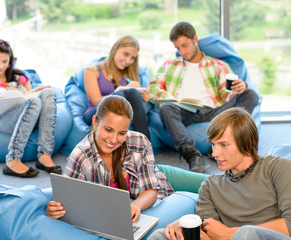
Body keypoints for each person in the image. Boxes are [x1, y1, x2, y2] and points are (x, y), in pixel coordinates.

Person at [46, 95, 206, 221]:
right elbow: (70, 203)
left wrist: (136, 205)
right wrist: (56, 209)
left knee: (216, 184)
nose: (114, 139)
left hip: (163, 177)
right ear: (95, 122)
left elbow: (151, 190)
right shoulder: (80, 157)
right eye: (108, 130)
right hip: (154, 200)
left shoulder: (139, 141)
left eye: (122, 133)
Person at [147, 107, 291, 240]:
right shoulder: (210, 186)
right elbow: (211, 234)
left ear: (247, 143)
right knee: (161, 235)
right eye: (213, 144)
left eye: (223, 144)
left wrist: (230, 233)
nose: (214, 153)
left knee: (247, 233)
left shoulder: (278, 167)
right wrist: (187, 226)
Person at [147, 22, 259, 173]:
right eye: (178, 48)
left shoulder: (217, 65)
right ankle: (192, 155)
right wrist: (171, 99)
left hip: (215, 112)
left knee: (250, 94)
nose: (182, 52)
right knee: (166, 107)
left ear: (195, 39)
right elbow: (153, 87)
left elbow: (227, 92)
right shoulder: (169, 65)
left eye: (185, 45)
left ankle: (228, 143)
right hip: (185, 112)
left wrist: (238, 87)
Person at [0, 39, 62, 178]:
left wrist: (37, 91)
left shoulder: (20, 78)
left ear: (10, 60)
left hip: (29, 116)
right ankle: (13, 159)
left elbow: (31, 98)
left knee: (48, 93)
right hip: (0, 122)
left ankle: (44, 155)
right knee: (33, 102)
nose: (0, 66)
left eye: (5, 61)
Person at [83, 34, 151, 140]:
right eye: (125, 54)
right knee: (118, 96)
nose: (128, 61)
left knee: (132, 92)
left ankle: (146, 147)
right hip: (95, 112)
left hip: (122, 114)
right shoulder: (91, 70)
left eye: (132, 58)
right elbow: (96, 101)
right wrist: (122, 92)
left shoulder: (128, 73)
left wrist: (142, 96)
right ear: (114, 48)